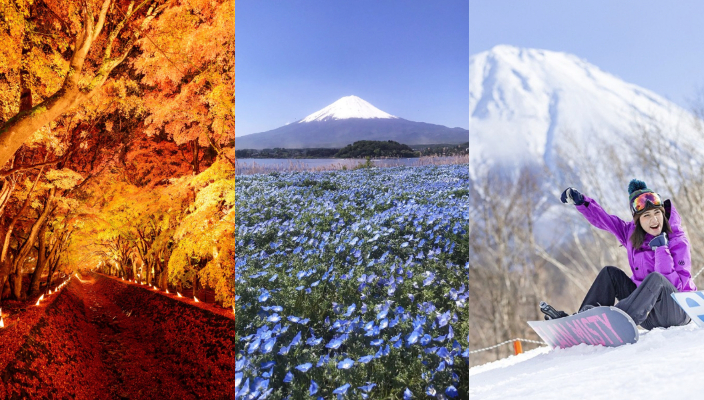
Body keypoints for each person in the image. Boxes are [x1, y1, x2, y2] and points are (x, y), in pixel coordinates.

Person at [541, 179, 696, 330]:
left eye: (657, 213)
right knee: (610, 273)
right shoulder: (631, 234)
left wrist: (661, 249)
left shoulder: (677, 240)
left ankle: (616, 322)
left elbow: (675, 287)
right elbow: (604, 220)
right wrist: (581, 202)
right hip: (649, 314)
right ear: (638, 221)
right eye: (646, 216)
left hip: (679, 309)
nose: (654, 219)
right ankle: (585, 321)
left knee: (657, 279)